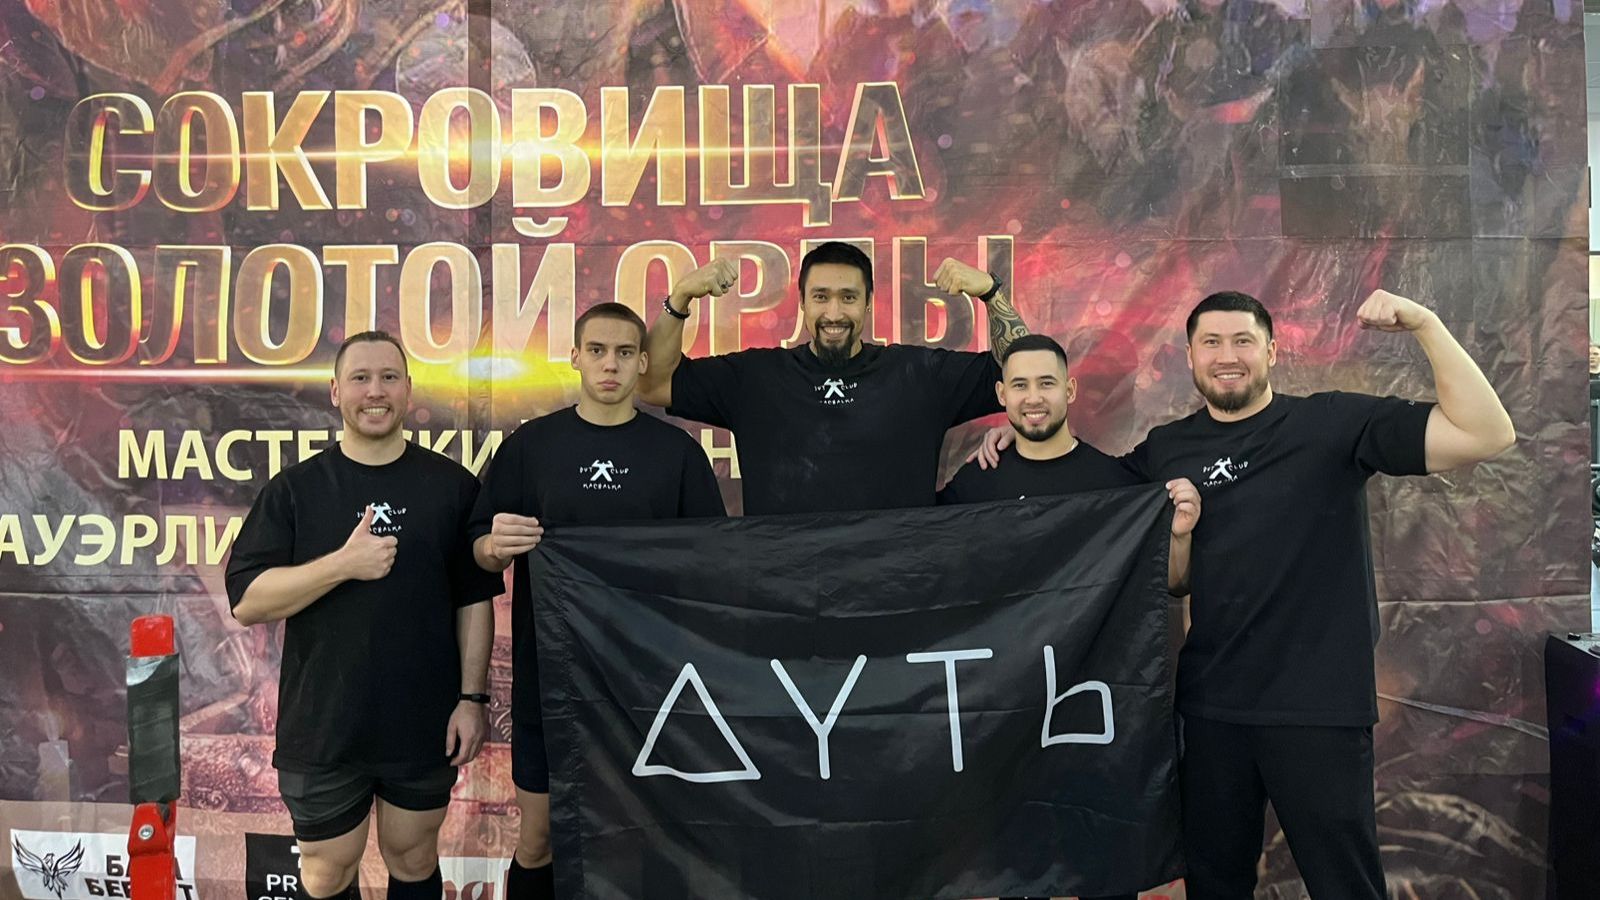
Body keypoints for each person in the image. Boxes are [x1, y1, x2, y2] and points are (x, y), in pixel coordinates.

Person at [1115, 289, 1514, 898]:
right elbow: (1146, 557)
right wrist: (1018, 442)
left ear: (1273, 352)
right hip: (1213, 706)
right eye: (1211, 342)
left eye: (1244, 341)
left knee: (1344, 885)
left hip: (1319, 709)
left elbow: (1487, 434)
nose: (1228, 356)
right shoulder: (1167, 448)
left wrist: (1427, 324)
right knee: (1214, 884)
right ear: (1189, 356)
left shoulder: (1331, 422)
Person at [226, 331, 501, 900]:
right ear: (335, 392)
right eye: (360, 378)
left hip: (423, 719)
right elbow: (249, 600)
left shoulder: (451, 487)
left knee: (414, 855)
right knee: (326, 871)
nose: (375, 391)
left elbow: (474, 599)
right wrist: (343, 564)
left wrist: (472, 699)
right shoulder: (296, 489)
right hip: (324, 723)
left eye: (388, 377)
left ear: (408, 390)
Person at [469, 303, 727, 900]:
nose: (610, 365)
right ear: (575, 358)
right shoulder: (531, 446)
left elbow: (714, 561)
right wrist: (494, 545)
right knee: (539, 838)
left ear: (643, 363)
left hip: (650, 681)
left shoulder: (677, 453)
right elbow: (479, 551)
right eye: (598, 351)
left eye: (624, 353)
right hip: (551, 677)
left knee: (643, 835)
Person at [938, 333, 1198, 900]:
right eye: (1021, 385)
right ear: (1002, 395)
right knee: (1017, 868)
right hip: (1004, 717)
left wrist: (1179, 536)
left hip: (1094, 715)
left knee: (1102, 863)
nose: (1034, 398)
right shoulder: (975, 483)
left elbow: (1172, 582)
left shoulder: (1116, 485)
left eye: (1047, 384)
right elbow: (933, 577)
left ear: (1069, 390)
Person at [637, 240, 1030, 514]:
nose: (834, 313)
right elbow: (653, 384)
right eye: (821, 297)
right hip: (783, 592)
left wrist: (991, 293)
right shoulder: (754, 378)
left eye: (848, 297)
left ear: (869, 303)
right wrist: (680, 297)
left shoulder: (919, 375)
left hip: (895, 591)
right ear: (802, 302)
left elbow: (1019, 372)